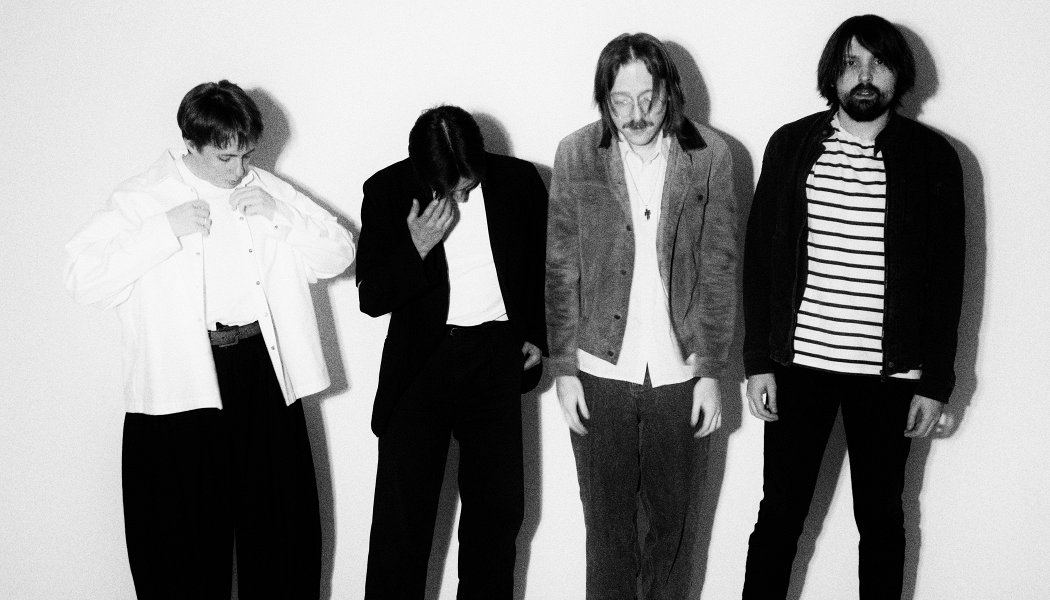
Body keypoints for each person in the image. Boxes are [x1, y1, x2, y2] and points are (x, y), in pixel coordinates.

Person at [64, 80, 355, 599]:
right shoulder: (143, 197)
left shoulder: (265, 189)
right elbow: (82, 278)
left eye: (246, 155)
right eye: (224, 157)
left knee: (282, 535)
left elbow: (339, 253)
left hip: (263, 374)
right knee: (179, 546)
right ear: (190, 144)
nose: (238, 169)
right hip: (179, 385)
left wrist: (280, 215)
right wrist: (163, 230)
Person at [741, 15, 965, 599]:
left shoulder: (933, 157)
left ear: (899, 73)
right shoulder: (792, 145)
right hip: (799, 367)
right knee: (779, 518)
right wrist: (757, 361)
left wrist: (935, 382)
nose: (864, 76)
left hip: (891, 376)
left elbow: (948, 279)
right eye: (850, 63)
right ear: (832, 75)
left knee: (883, 521)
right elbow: (760, 259)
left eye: (878, 62)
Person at [545, 33, 738, 599]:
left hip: (681, 373)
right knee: (607, 535)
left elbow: (719, 266)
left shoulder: (711, 154)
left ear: (669, 92)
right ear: (604, 99)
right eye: (620, 101)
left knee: (673, 532)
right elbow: (560, 267)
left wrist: (710, 372)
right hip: (599, 371)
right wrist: (563, 370)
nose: (636, 114)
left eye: (648, 98)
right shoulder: (576, 154)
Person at [357, 105, 548, 599]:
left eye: (470, 184)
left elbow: (544, 264)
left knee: (496, 518)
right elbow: (371, 297)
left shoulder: (519, 181)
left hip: (495, 356)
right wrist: (416, 246)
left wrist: (536, 332)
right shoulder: (387, 190)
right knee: (402, 523)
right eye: (451, 188)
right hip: (421, 364)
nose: (462, 196)